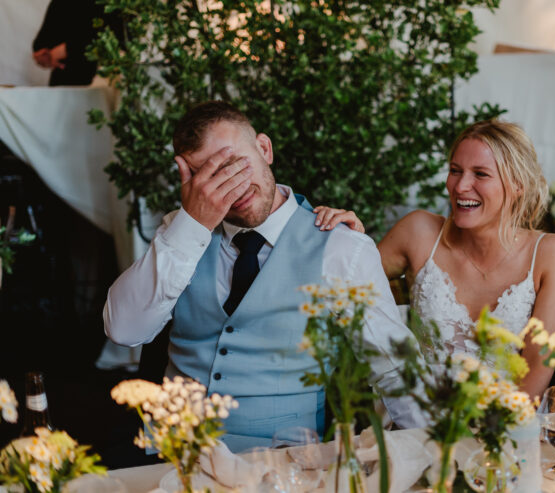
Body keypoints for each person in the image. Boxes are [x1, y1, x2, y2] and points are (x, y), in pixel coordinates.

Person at [103, 101, 424, 451]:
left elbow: (395, 369)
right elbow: (123, 330)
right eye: (208, 177)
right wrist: (190, 226)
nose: (232, 187)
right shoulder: (179, 236)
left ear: (264, 149)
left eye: (234, 164)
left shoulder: (341, 248)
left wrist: (429, 456)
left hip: (285, 462)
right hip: (176, 458)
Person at [315, 120, 555, 398]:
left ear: (517, 185)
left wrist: (498, 433)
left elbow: (537, 366)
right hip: (420, 422)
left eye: (480, 174)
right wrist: (352, 239)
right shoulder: (419, 233)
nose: (461, 186)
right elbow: (342, 283)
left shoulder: (553, 253)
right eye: (455, 170)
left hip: (509, 425)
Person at [32, 0, 121, 86]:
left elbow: (114, 34)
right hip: (65, 81)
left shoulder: (111, 3)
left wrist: (68, 48)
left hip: (100, 78)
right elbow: (41, 43)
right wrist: (43, 55)